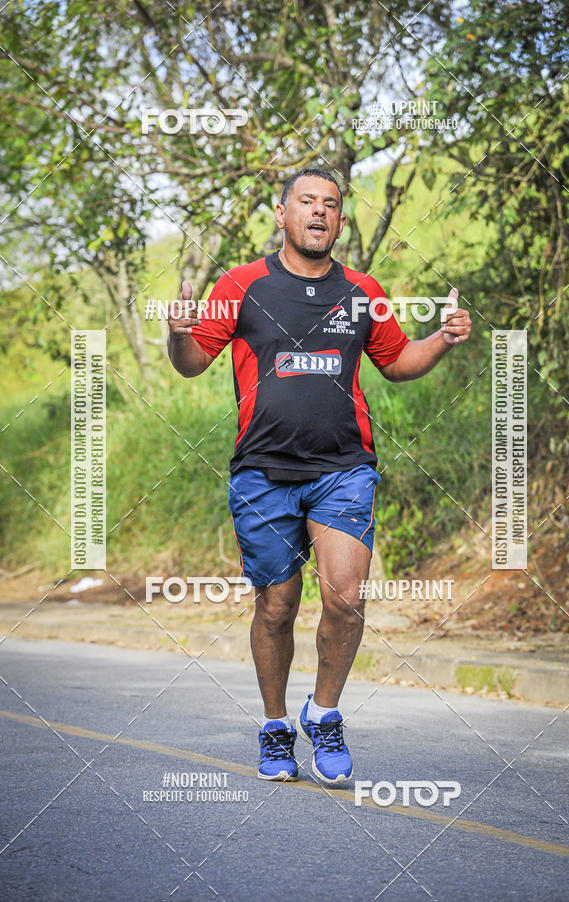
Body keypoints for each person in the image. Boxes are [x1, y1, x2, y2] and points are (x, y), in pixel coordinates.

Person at [167, 168, 471, 783]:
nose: (318, 212)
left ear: (340, 220)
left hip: (343, 468)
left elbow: (397, 361)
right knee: (277, 607)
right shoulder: (240, 285)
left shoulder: (363, 290)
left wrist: (441, 339)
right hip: (263, 472)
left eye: (330, 204)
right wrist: (177, 335)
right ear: (282, 214)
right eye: (306, 201)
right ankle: (275, 727)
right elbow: (192, 363)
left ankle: (325, 715)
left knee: (346, 598)